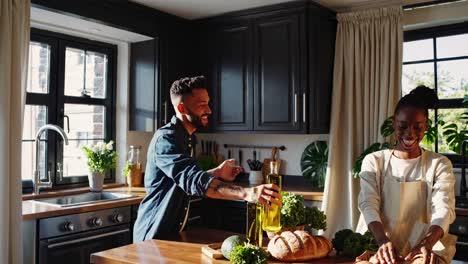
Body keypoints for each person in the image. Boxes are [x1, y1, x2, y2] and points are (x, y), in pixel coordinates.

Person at [133, 76, 282, 241]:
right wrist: (247, 193)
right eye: (202, 104)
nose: (209, 110)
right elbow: (195, 181)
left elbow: (183, 180)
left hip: (172, 235)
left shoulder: (187, 138)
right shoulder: (166, 139)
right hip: (152, 236)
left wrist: (216, 173)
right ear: (182, 108)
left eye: (208, 103)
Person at [357, 86, 456, 264]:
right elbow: (368, 204)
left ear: (426, 126)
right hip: (377, 244)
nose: (410, 133)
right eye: (403, 126)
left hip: (425, 248)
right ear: (394, 123)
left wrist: (427, 244)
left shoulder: (439, 164)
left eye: (417, 127)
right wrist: (382, 242)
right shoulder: (374, 161)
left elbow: (443, 209)